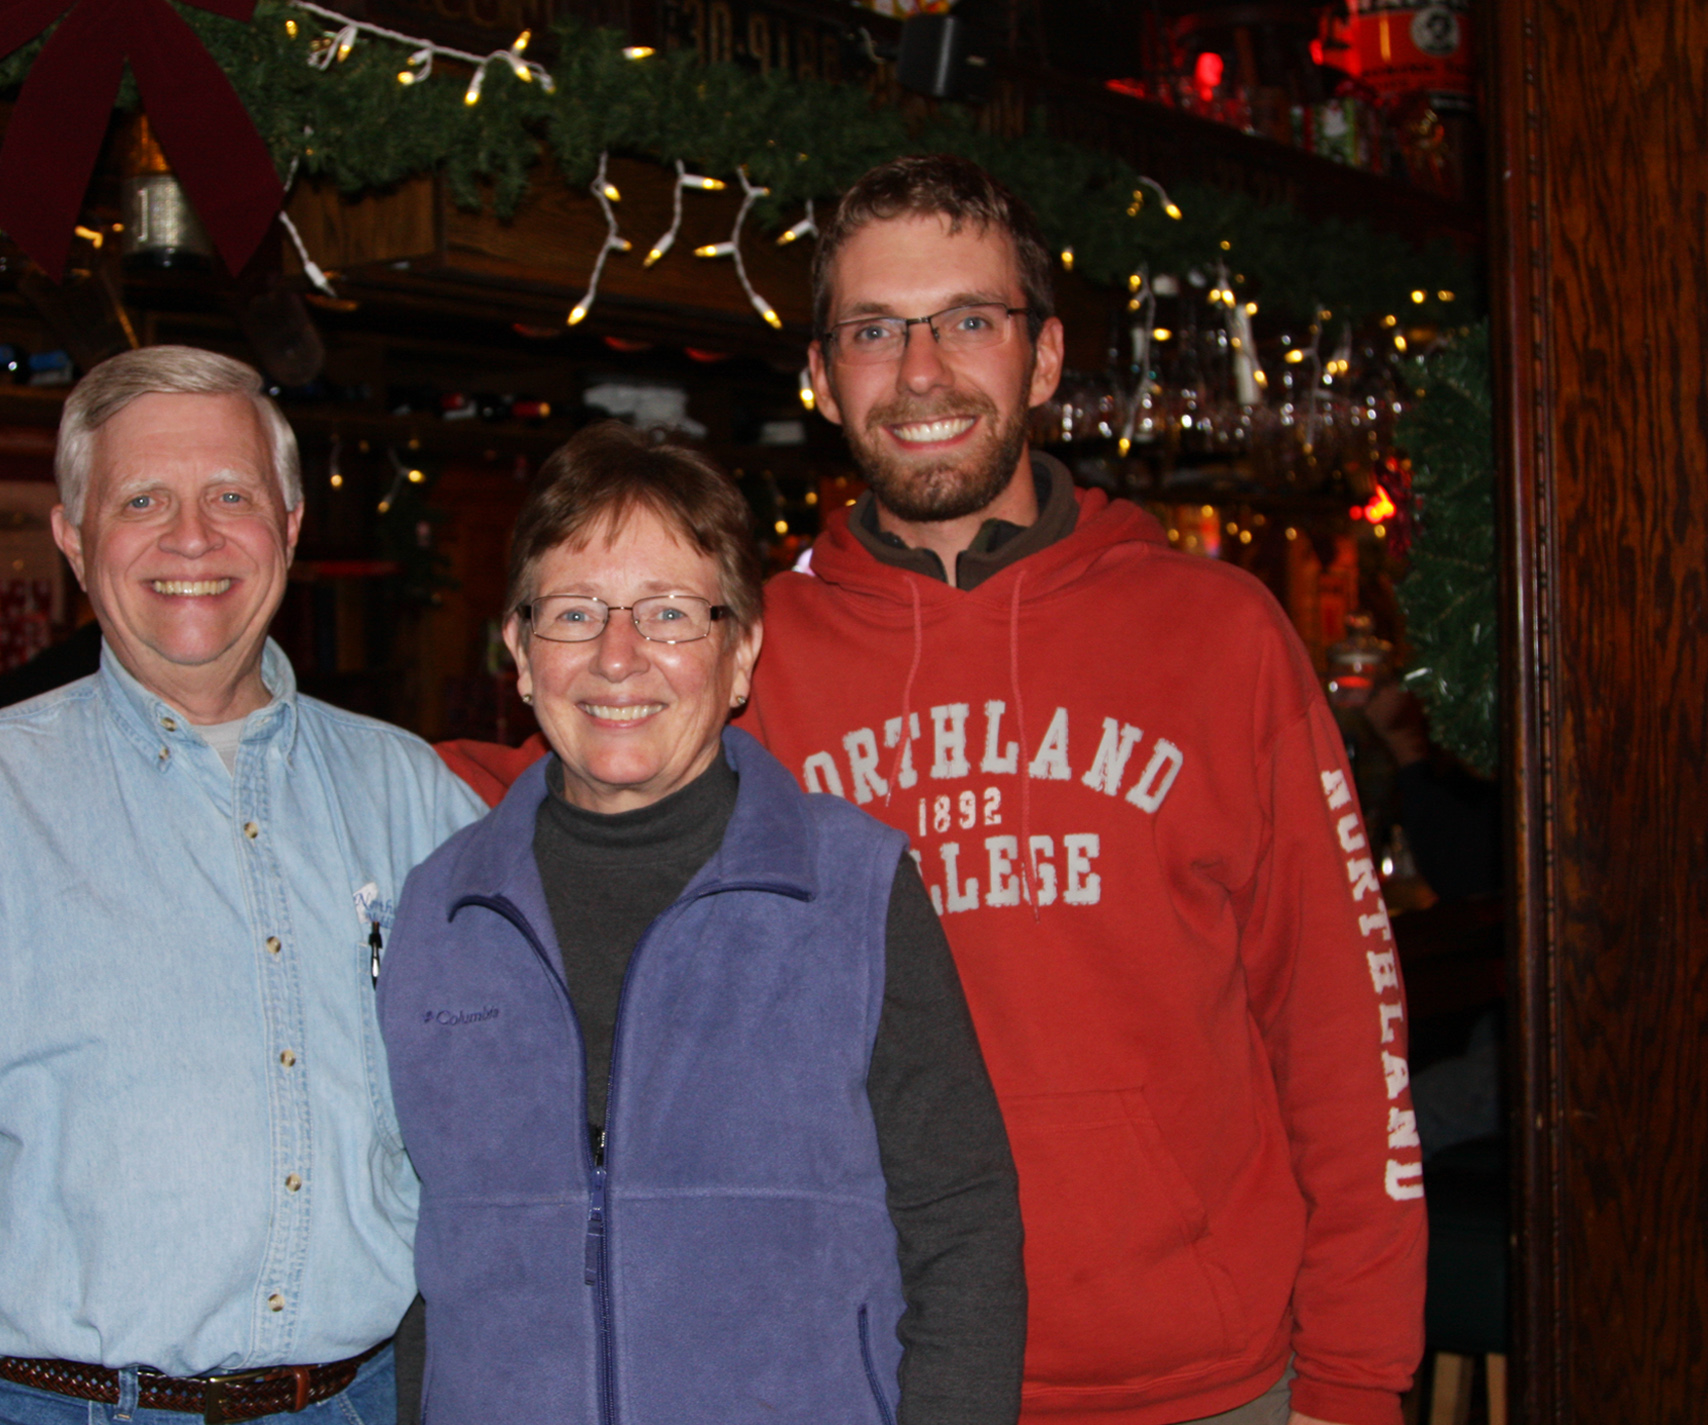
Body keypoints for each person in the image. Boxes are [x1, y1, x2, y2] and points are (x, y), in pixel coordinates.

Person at [734, 155, 1428, 1425]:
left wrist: (1356, 1377)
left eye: (972, 321)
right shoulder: (749, 660)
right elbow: (566, 784)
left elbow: (1343, 1031)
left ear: (1044, 360)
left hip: (1211, 1388)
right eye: (877, 329)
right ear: (824, 378)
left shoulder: (1219, 633)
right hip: (882, 1376)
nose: (925, 371)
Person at [0, 346, 483, 1425]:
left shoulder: (416, 798)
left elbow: (499, 1141)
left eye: (231, 496)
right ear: (72, 536)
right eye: (142, 498)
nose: (191, 537)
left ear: (291, 525)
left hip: (364, 1401)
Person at [382, 422, 1023, 1425]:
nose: (619, 657)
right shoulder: (440, 911)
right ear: (519, 650)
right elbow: (426, 1273)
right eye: (575, 612)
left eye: (672, 614)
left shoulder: (855, 891)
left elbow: (962, 1230)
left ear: (739, 655)